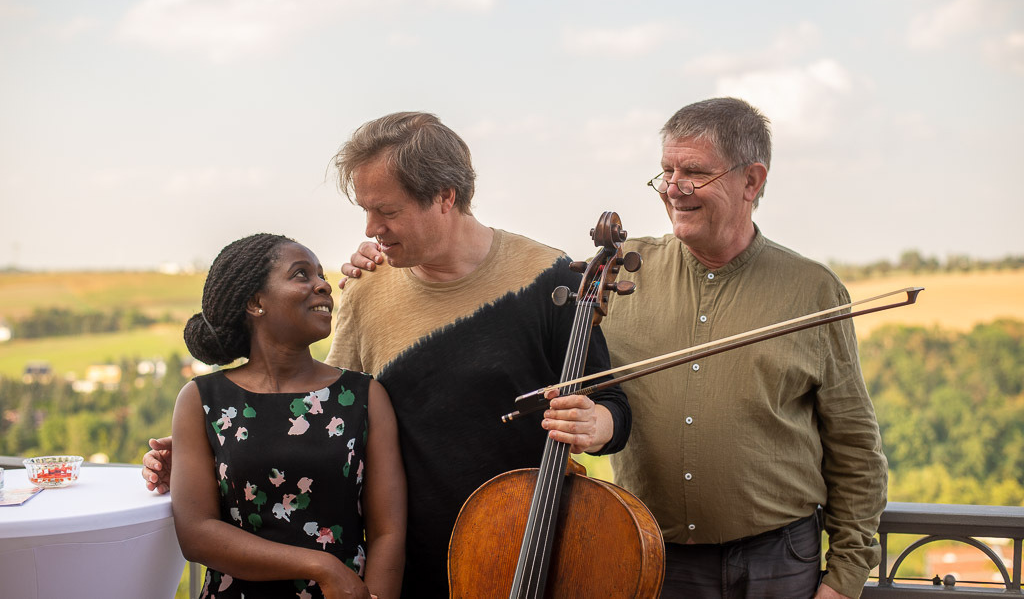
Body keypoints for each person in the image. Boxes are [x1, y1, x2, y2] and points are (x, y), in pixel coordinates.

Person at [338, 98, 888, 599]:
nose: (674, 187)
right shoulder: (613, 274)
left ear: (752, 180)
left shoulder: (812, 291)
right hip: (650, 553)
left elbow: (855, 446)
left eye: (695, 172)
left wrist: (844, 578)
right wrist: (376, 257)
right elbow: (338, 423)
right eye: (667, 172)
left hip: (776, 557)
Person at [143, 113, 632, 599]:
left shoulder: (552, 279)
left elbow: (614, 408)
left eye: (387, 211)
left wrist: (597, 424)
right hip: (402, 572)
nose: (371, 228)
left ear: (445, 196)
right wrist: (209, 453)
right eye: (366, 210)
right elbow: (328, 418)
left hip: (524, 556)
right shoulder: (364, 288)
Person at [169, 233, 406, 599]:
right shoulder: (202, 399)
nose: (323, 285)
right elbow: (196, 533)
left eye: (321, 275)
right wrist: (323, 566)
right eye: (301, 274)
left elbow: (388, 532)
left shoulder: (364, 396)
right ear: (255, 302)